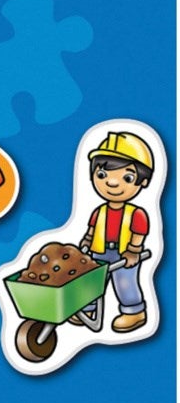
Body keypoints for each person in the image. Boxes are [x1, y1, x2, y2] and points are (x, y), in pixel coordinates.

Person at [79, 130, 156, 334]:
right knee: (91, 282)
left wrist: (133, 251)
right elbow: (92, 230)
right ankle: (87, 310)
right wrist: (86, 242)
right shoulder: (99, 211)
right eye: (102, 175)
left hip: (123, 254)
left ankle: (134, 312)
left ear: (143, 181)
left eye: (127, 177)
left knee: (124, 282)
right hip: (98, 252)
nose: (112, 183)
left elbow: (138, 234)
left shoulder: (136, 214)